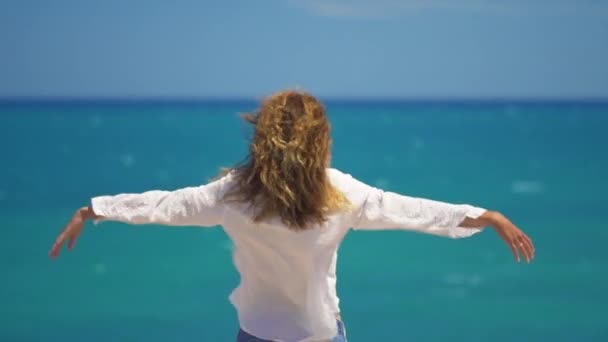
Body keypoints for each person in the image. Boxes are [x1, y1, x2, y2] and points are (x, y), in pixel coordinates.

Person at [49, 90, 535, 342]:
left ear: (262, 136)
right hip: (321, 334)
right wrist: (483, 216)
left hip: (257, 332)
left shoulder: (233, 194)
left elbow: (164, 205)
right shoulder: (339, 193)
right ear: (319, 139)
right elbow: (410, 211)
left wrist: (94, 210)